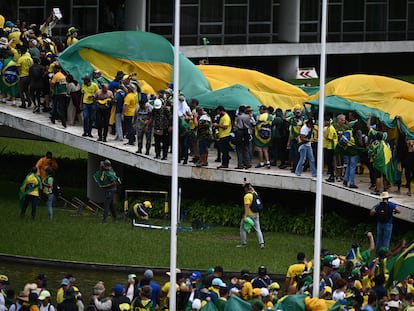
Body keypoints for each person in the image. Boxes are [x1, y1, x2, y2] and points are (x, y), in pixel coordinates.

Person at [237, 183, 264, 249]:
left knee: (242, 229)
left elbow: (247, 207)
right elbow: (252, 189)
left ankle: (243, 244)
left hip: (249, 215)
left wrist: (245, 216)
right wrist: (248, 185)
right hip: (256, 214)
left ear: (246, 189)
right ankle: (261, 243)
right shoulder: (255, 193)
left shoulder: (247, 196)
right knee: (258, 229)